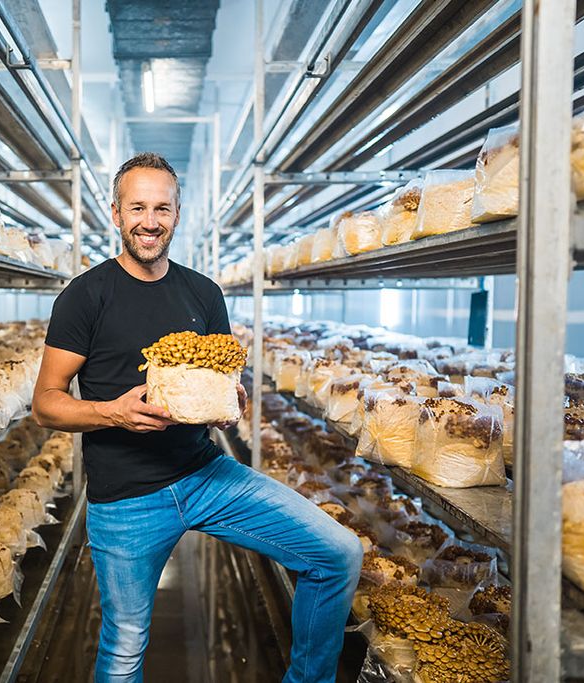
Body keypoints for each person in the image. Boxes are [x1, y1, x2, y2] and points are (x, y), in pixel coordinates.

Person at [33, 152, 362, 683]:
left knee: (338, 555)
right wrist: (113, 413)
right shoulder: (84, 296)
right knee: (123, 651)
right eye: (137, 207)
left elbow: (220, 380)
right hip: (126, 498)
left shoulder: (203, 293)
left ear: (177, 214)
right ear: (115, 214)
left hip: (206, 474)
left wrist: (232, 403)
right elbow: (46, 402)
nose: (149, 221)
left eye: (162, 208)